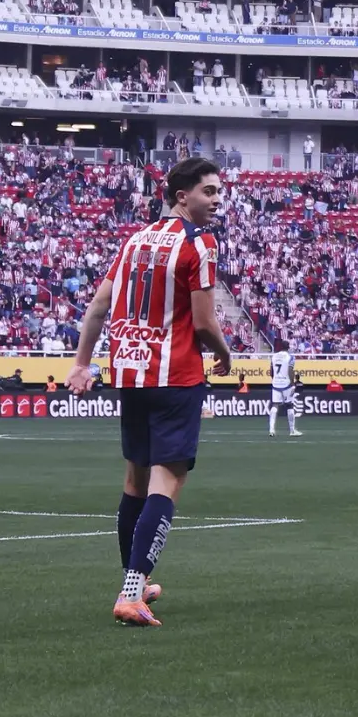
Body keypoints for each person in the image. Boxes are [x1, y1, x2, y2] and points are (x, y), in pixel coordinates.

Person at [65, 156, 232, 627]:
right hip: (175, 375)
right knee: (168, 481)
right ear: (182, 196)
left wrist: (82, 364)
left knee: (134, 481)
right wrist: (225, 354)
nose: (217, 199)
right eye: (209, 191)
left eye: (219, 191)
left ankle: (132, 583)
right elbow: (203, 323)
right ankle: (132, 590)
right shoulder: (200, 244)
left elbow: (99, 307)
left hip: (130, 375)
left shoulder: (133, 241)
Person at [268, 339, 301, 437]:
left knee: (275, 405)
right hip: (286, 383)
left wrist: (275, 379)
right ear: (288, 347)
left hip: (276, 383)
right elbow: (290, 370)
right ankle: (292, 430)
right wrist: (292, 383)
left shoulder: (274, 357)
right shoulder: (290, 357)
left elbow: (271, 371)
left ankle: (271, 429)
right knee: (289, 405)